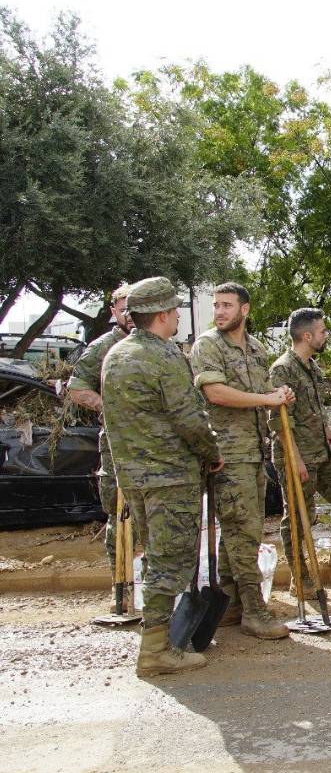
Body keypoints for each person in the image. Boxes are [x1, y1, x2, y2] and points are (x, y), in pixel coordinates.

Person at [101, 277, 223, 675]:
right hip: (170, 477)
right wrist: (212, 452)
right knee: (170, 563)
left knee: (155, 556)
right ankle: (155, 651)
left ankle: (158, 642)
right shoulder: (164, 357)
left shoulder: (116, 355)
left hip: (134, 477)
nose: (176, 317)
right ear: (161, 315)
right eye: (173, 311)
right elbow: (188, 419)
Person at [191, 282, 294, 640]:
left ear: (244, 310)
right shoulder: (207, 345)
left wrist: (279, 396)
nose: (219, 311)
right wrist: (266, 400)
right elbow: (215, 393)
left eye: (227, 305)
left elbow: (260, 395)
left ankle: (231, 603)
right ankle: (255, 611)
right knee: (243, 531)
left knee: (237, 529)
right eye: (216, 305)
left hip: (254, 451)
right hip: (227, 454)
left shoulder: (256, 348)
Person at [268, 308, 331, 598]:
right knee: (297, 516)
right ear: (307, 336)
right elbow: (278, 421)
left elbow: (316, 409)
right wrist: (294, 458)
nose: (326, 335)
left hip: (321, 450)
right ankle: (301, 577)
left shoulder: (311, 366)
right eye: (322, 331)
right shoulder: (282, 369)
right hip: (297, 454)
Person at [66, 283, 132, 611]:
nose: (129, 315)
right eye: (123, 309)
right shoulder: (104, 346)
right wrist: (105, 405)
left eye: (135, 308)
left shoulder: (160, 344)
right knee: (118, 512)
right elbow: (76, 385)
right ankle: (120, 587)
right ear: (113, 312)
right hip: (117, 445)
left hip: (154, 447)